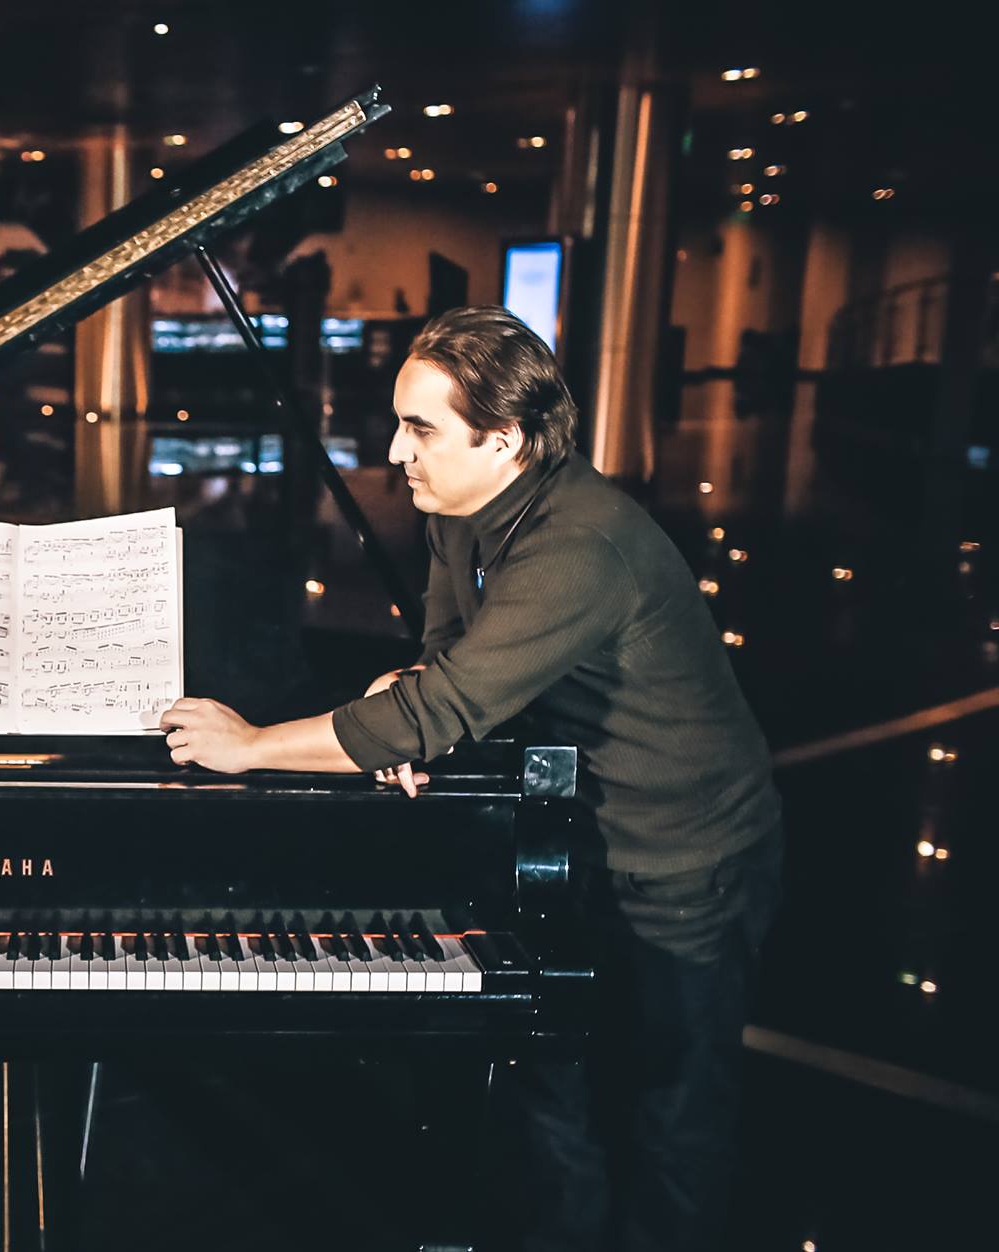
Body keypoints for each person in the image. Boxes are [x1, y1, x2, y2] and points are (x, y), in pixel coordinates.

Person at [158, 305, 782, 1251]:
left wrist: (251, 746)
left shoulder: (581, 547)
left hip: (685, 859)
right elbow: (448, 654)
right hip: (569, 829)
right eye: (397, 423)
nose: (395, 453)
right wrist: (414, 686)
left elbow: (436, 710)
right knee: (551, 1084)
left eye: (421, 429)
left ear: (506, 438)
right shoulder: (461, 511)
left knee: (674, 1112)